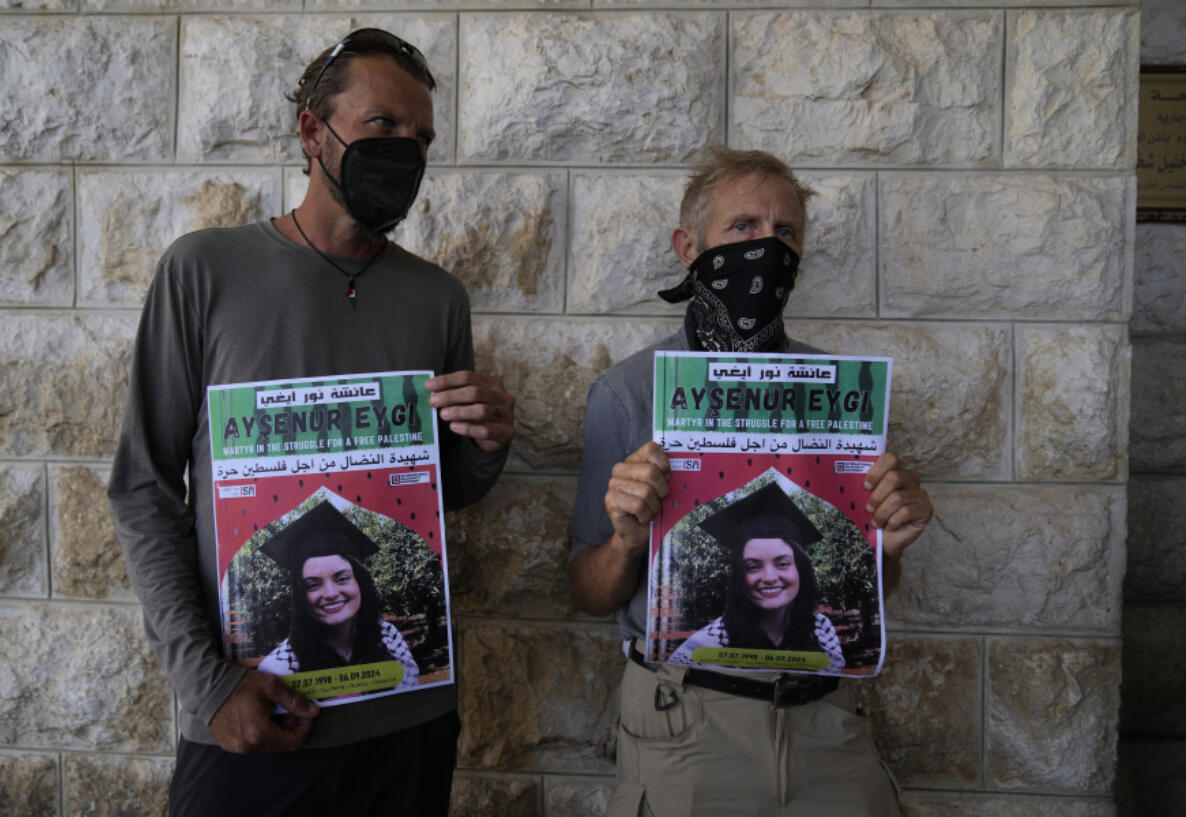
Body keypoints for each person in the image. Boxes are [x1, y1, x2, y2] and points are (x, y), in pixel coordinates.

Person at [108, 27, 515, 817]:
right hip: (252, 715)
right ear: (312, 131)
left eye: (423, 137)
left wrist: (489, 444)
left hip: (407, 720)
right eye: (383, 127)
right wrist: (210, 683)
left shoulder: (438, 298)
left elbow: (440, 495)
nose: (408, 150)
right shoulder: (203, 271)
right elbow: (142, 487)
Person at [569, 144, 934, 816]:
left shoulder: (838, 393)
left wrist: (889, 544)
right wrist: (625, 541)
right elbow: (585, 589)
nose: (767, 247)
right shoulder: (626, 391)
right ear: (689, 246)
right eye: (743, 228)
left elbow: (868, 587)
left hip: (827, 722)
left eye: (784, 232)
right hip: (687, 723)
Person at [666, 482, 845, 673]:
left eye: (782, 563)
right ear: (739, 577)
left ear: (800, 570)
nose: (769, 577)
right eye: (753, 567)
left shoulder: (820, 629)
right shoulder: (705, 646)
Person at [256, 501, 419, 691]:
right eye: (313, 584)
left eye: (342, 578)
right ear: (300, 595)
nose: (331, 593)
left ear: (360, 583)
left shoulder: (387, 637)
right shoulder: (279, 670)